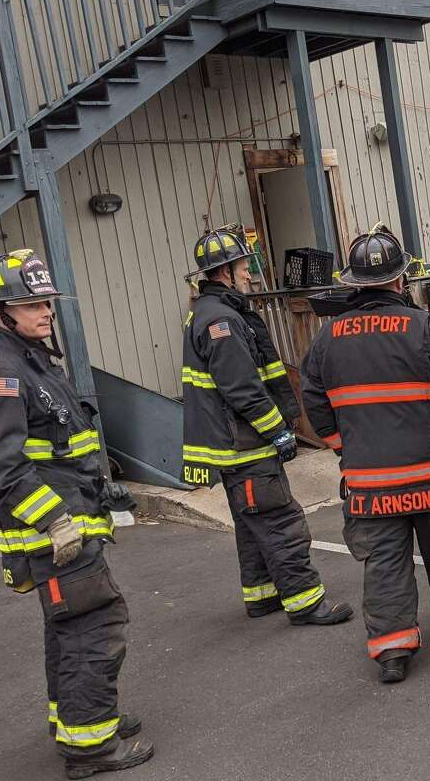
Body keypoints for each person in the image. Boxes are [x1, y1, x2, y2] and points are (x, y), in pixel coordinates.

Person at [0, 250, 153, 779]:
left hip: (74, 521)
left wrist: (102, 491)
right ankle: (90, 748)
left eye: (46, 300)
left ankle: (80, 720)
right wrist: (54, 520)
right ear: (1, 313)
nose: (45, 311)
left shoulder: (35, 360)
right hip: (55, 534)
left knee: (69, 629)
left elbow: (61, 445)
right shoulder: (0, 370)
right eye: (31, 303)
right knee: (93, 627)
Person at [301, 224, 430, 684]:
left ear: (353, 283)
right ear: (399, 280)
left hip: (369, 483)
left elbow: (312, 400)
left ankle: (392, 649)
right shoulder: (427, 328)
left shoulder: (327, 339)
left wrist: (342, 447)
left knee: (384, 559)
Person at [181, 226, 352, 626]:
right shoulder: (220, 320)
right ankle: (306, 603)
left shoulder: (213, 312)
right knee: (279, 521)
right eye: (244, 266)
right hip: (248, 443)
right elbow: (242, 387)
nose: (249, 273)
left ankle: (262, 595)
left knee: (251, 521)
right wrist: (277, 429)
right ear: (224, 271)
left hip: (236, 445)